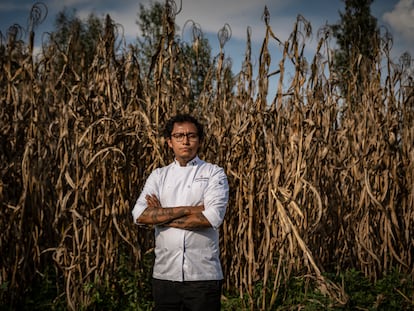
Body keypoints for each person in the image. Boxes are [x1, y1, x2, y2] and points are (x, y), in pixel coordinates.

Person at [132, 114, 229, 311]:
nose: (185, 141)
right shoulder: (158, 175)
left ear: (199, 141)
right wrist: (190, 209)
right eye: (179, 136)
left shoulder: (213, 173)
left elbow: (211, 217)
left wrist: (158, 216)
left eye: (191, 136)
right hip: (165, 276)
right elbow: (140, 215)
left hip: (203, 276)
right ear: (169, 142)